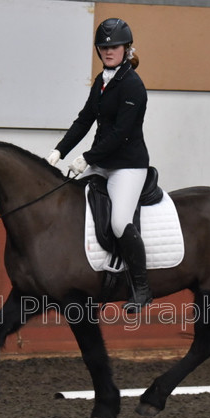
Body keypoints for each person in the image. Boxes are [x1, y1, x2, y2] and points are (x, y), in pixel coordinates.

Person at [45, 17, 153, 313]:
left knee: (119, 221)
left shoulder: (133, 86)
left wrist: (88, 158)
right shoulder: (102, 81)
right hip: (103, 161)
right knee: (72, 203)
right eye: (103, 46)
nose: (108, 51)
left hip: (127, 166)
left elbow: (122, 133)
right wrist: (60, 151)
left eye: (114, 46)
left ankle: (141, 288)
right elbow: (85, 119)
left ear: (126, 48)